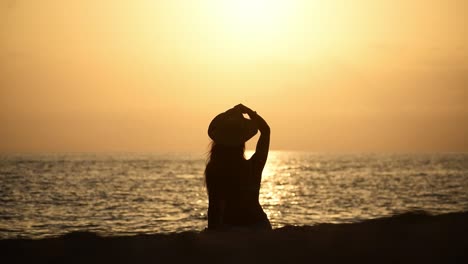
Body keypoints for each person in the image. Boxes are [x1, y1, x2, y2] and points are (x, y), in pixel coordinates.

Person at [205, 104, 272, 231]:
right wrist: (249, 111)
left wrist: (212, 239)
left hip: (232, 229)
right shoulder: (252, 166)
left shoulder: (215, 169)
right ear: (242, 142)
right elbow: (266, 130)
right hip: (259, 227)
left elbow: (213, 208)